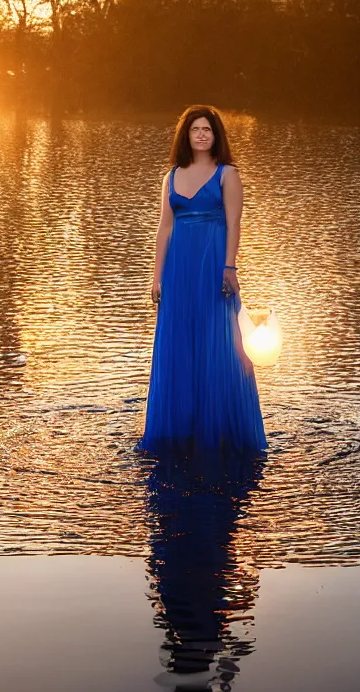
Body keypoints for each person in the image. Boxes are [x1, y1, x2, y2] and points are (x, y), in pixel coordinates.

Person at [137, 105, 267, 458]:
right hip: (178, 271)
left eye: (207, 129)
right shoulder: (172, 176)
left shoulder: (228, 174)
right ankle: (180, 431)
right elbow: (164, 228)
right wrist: (156, 276)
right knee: (180, 342)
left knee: (219, 344)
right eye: (195, 129)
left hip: (213, 268)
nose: (201, 135)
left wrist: (230, 267)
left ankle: (222, 432)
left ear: (216, 135)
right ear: (186, 135)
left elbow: (234, 223)